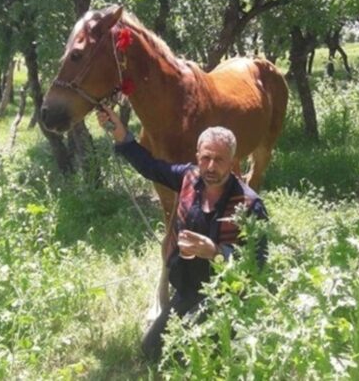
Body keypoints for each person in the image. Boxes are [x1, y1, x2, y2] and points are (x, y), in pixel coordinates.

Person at [96, 107, 268, 361]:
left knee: (198, 357)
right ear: (197, 156)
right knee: (151, 350)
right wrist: (120, 133)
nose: (211, 166)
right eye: (206, 157)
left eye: (219, 159)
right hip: (187, 291)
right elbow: (150, 166)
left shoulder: (249, 204)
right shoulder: (188, 177)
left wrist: (217, 253)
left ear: (233, 162)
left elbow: (258, 263)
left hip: (224, 297)